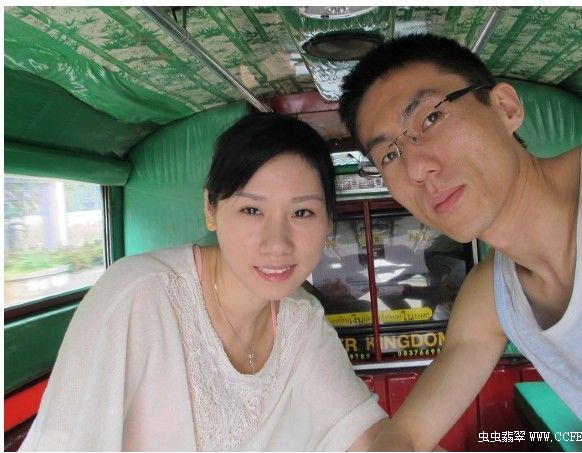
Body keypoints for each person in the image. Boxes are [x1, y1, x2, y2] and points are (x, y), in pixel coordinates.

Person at [338, 34, 582, 451]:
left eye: (431, 118)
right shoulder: (491, 297)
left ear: (505, 107)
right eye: (389, 155)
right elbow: (407, 435)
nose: (417, 168)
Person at [20, 112, 387, 451]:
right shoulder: (137, 296)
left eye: (302, 212)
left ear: (328, 221)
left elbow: (367, 437)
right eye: (251, 210)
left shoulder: (300, 319)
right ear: (210, 208)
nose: (277, 243)